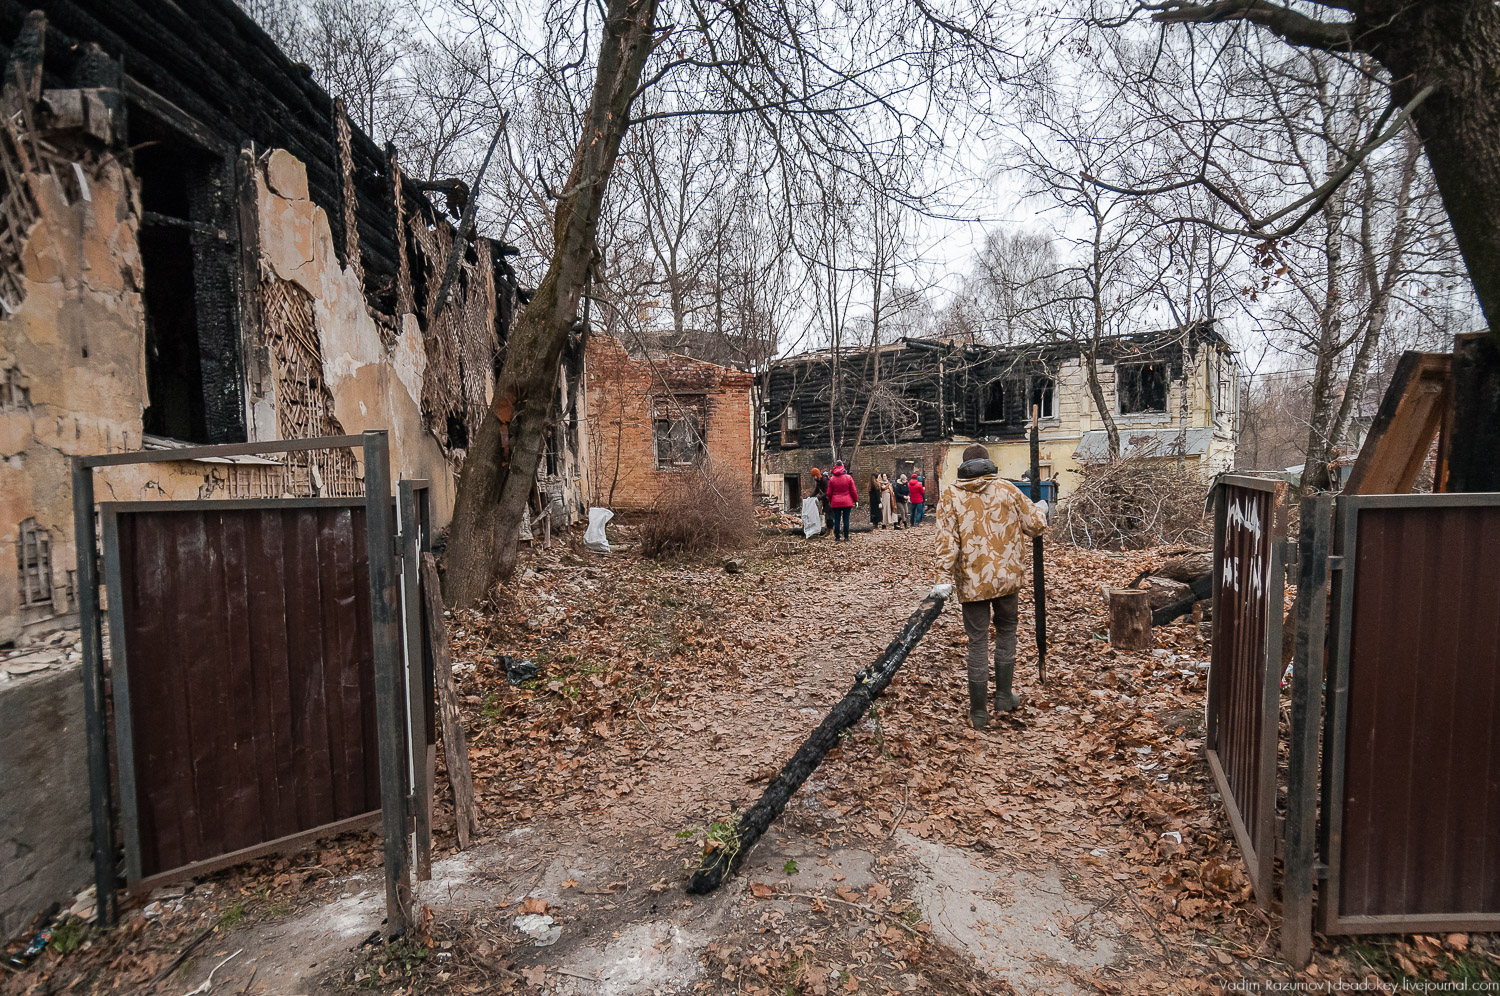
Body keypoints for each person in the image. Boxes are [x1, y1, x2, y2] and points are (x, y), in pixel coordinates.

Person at [933, 444, 1048, 729]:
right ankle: (1004, 696)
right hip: (1006, 580)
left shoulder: (951, 495)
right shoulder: (1007, 489)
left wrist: (942, 579)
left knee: (977, 642)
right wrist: (1041, 508)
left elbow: (946, 543)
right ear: (988, 463)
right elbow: (1035, 526)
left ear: (963, 466)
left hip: (973, 583)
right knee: (1007, 631)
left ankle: (978, 712)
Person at [825, 460, 857, 541]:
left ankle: (837, 537)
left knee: (837, 520)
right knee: (846, 519)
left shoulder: (832, 479)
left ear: (835, 466)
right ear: (843, 466)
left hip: (835, 502)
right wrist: (856, 500)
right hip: (847, 501)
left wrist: (830, 500)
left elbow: (829, 492)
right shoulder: (848, 477)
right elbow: (853, 490)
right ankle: (846, 537)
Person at [810, 466, 830, 532]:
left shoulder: (824, 480)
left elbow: (827, 492)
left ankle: (830, 530)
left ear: (817, 475)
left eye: (814, 476)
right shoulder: (818, 482)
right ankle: (827, 530)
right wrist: (810, 497)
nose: (814, 478)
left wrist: (819, 497)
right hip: (824, 500)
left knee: (829, 515)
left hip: (829, 500)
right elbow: (816, 491)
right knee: (826, 514)